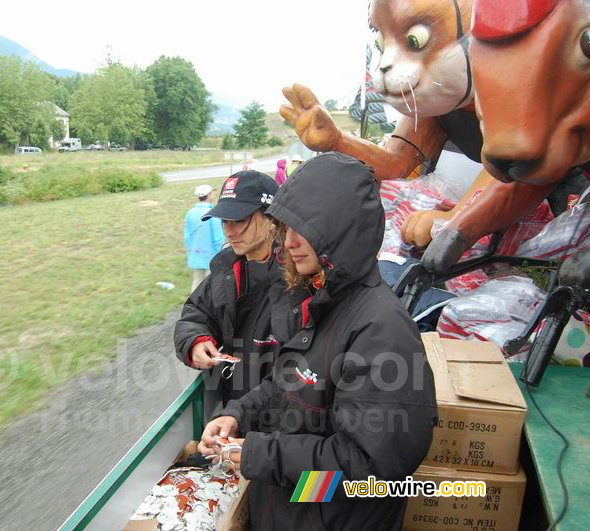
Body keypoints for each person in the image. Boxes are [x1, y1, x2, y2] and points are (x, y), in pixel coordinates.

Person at [199, 153, 438, 530]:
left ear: (341, 229)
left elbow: (366, 474)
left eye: (304, 229)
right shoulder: (322, 301)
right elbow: (290, 383)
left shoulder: (381, 330)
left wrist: (260, 454)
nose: (289, 242)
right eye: (285, 228)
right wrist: (237, 414)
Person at [174, 171, 288, 419]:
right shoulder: (225, 267)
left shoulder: (296, 274)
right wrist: (195, 341)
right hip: (232, 412)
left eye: (240, 220)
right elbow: (194, 315)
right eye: (225, 220)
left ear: (272, 217)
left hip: (282, 421)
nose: (229, 231)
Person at [184, 184, 225, 291]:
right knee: (211, 285)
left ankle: (193, 306)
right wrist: (222, 254)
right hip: (211, 256)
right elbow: (218, 238)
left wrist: (191, 250)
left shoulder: (190, 213)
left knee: (197, 282)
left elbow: (187, 236)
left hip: (196, 254)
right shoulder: (212, 213)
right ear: (209, 195)